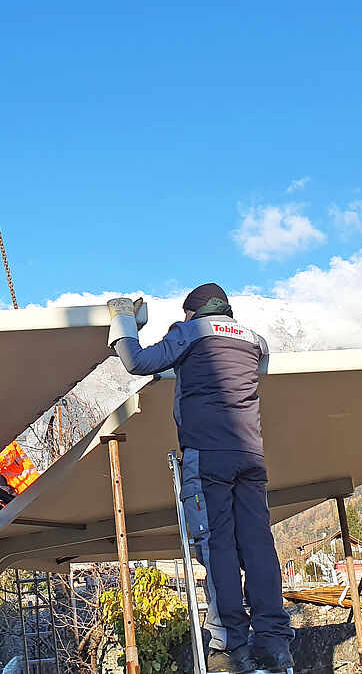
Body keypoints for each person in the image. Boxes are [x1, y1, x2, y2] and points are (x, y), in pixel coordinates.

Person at [106, 284, 293, 674]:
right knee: (258, 544)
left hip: (208, 457)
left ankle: (230, 648)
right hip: (250, 455)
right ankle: (274, 644)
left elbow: (136, 362)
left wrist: (122, 318)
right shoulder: (253, 339)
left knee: (217, 546)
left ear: (194, 312)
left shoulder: (190, 332)